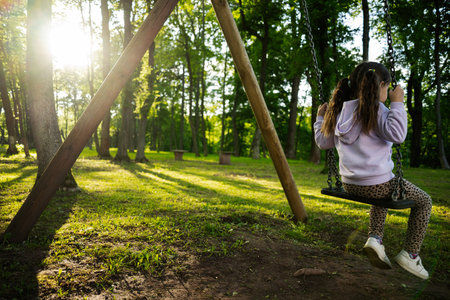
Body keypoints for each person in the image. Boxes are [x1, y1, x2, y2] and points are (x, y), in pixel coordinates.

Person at [314, 61, 432, 280]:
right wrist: (397, 104)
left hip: (350, 184)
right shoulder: (379, 110)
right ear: (382, 86)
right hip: (377, 186)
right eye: (387, 89)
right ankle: (411, 254)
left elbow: (323, 142)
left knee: (383, 190)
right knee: (424, 201)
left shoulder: (340, 111)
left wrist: (320, 118)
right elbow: (397, 135)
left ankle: (375, 239)